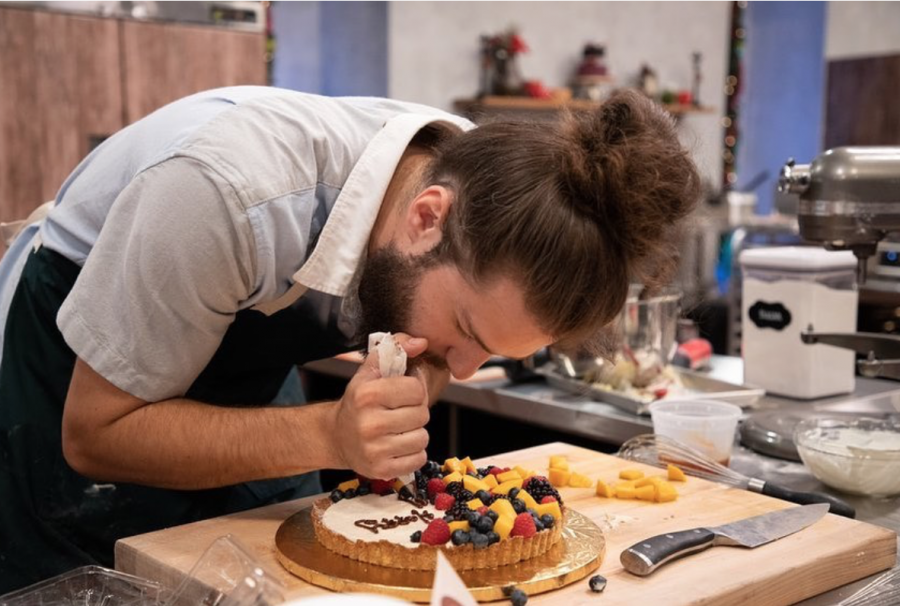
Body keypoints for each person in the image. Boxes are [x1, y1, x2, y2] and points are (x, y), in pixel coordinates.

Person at [0, 86, 699, 592]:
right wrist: (330, 434)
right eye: (464, 333)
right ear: (427, 218)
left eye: (492, 355)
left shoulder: (486, 187)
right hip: (78, 373)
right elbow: (96, 436)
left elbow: (442, 352)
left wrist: (392, 395)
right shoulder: (228, 193)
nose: (461, 369)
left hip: (244, 359)